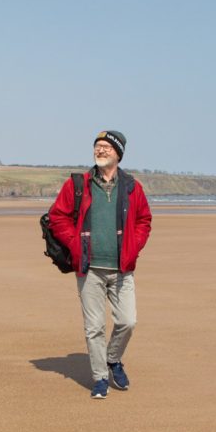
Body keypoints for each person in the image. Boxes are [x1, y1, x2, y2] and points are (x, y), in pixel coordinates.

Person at [49, 130, 152, 399]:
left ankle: (113, 358)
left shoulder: (131, 187)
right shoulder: (78, 184)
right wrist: (75, 243)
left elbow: (144, 220)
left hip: (122, 268)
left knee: (128, 321)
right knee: (94, 327)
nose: (101, 150)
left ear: (118, 154)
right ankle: (100, 378)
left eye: (107, 146)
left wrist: (133, 245)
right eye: (98, 146)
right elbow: (57, 217)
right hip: (90, 268)